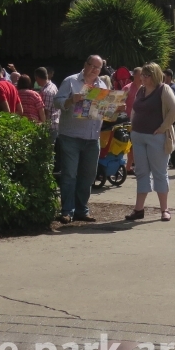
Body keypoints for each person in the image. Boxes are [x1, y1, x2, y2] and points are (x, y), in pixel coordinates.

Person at [54, 55, 108, 224]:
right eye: (92, 66)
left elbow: (104, 110)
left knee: (88, 175)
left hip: (92, 138)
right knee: (70, 174)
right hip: (71, 136)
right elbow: (57, 102)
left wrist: (115, 108)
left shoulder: (102, 85)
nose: (94, 70)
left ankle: (81, 210)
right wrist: (71, 100)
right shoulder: (70, 81)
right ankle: (67, 211)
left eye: (98, 68)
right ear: (85, 64)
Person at [125, 62, 175, 222]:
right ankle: (138, 209)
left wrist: (163, 127)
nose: (142, 78)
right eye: (142, 75)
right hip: (138, 135)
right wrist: (133, 126)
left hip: (156, 137)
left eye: (146, 75)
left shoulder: (163, 89)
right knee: (141, 172)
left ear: (154, 76)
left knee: (159, 173)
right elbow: (135, 110)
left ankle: (164, 209)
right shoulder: (141, 91)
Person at [35, 67, 60, 134]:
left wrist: (42, 126)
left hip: (50, 127)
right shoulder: (52, 86)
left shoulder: (47, 91)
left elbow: (46, 112)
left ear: (37, 77)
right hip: (54, 124)